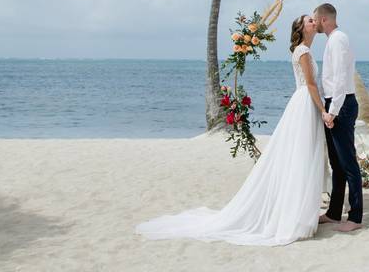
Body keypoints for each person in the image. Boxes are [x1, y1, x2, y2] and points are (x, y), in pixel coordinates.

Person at [135, 14, 328, 246]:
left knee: (302, 157)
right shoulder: (303, 52)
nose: (313, 22)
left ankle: (299, 212)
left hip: (303, 104)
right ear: (301, 28)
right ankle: (295, 217)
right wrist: (324, 110)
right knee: (301, 156)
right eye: (309, 20)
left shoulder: (304, 49)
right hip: (305, 103)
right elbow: (310, 84)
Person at [314, 2, 363, 232]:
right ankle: (334, 212)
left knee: (348, 163)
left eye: (316, 20)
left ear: (325, 19)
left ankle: (355, 217)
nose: (315, 24)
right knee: (336, 164)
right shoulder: (333, 40)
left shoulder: (338, 39)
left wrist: (332, 111)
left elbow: (342, 79)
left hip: (341, 105)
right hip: (334, 103)